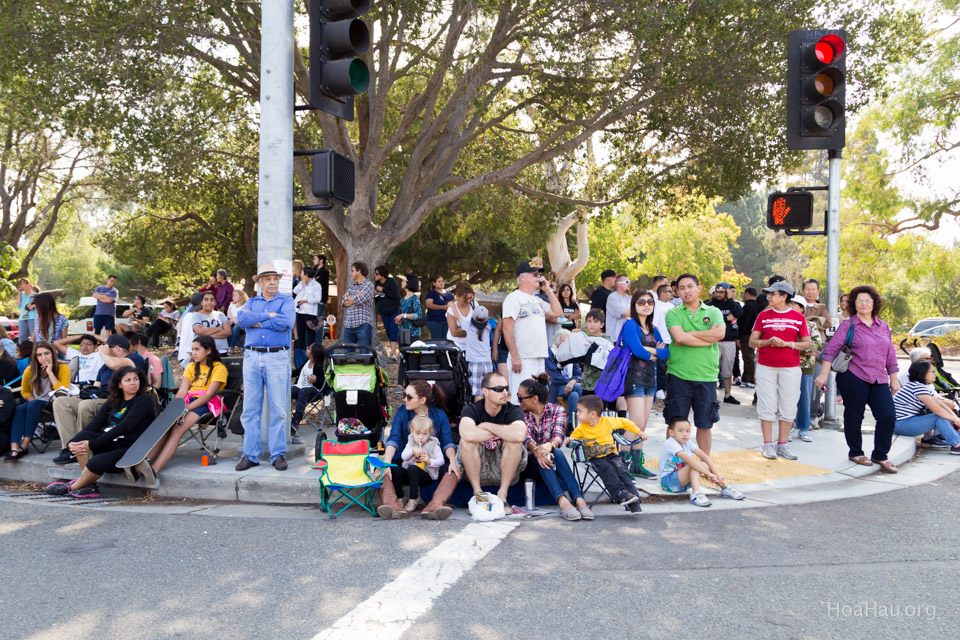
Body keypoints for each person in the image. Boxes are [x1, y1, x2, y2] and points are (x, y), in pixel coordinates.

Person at [815, 285, 900, 473]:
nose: (863, 304)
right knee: (855, 415)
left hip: (879, 378)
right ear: (854, 304)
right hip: (854, 377)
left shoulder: (883, 326)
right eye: (859, 300)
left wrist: (894, 378)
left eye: (867, 300)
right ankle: (856, 451)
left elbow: (890, 354)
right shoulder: (849, 325)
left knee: (887, 416)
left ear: (874, 303)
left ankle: (880, 454)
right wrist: (824, 374)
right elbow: (831, 350)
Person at [44, 367, 154, 497]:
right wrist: (71, 443)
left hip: (129, 448)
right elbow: (93, 426)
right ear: (119, 384)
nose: (133, 383)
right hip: (111, 443)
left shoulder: (143, 400)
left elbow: (124, 427)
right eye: (128, 380)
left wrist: (93, 444)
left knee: (96, 462)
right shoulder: (113, 401)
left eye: (135, 379)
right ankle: (89, 486)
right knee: (81, 439)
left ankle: (71, 487)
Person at [236, 263, 296, 471]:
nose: (272, 282)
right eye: (268, 279)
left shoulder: (287, 301)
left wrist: (258, 321)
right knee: (250, 409)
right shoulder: (251, 301)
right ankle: (250, 455)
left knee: (278, 408)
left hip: (277, 356)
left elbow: (286, 322)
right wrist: (268, 316)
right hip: (252, 356)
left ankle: (277, 454)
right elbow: (241, 319)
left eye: (275, 278)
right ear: (260, 282)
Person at [379, 380, 459, 520]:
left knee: (453, 470)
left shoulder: (439, 415)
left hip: (431, 467)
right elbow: (394, 438)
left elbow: (447, 443)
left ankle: (435, 506)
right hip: (407, 463)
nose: (405, 399)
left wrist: (452, 461)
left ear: (422, 400)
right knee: (380, 468)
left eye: (409, 397)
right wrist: (386, 461)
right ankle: (392, 505)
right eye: (404, 395)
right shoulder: (402, 412)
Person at [748, 282, 811, 460]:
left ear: (784, 296)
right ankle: (767, 444)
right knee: (766, 404)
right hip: (766, 365)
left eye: (773, 294)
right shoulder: (763, 315)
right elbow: (753, 341)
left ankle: (783, 445)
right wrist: (769, 342)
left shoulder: (798, 318)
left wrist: (787, 344)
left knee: (789, 405)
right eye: (768, 293)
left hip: (790, 367)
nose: (769, 296)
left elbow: (807, 343)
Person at [664, 273, 725, 456]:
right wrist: (708, 337)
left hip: (706, 376)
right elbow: (679, 337)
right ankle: (672, 464)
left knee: (704, 424)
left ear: (699, 288)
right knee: (675, 425)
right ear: (677, 292)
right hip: (678, 375)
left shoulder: (713, 312)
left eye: (690, 286)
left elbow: (720, 334)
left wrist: (688, 336)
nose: (686, 291)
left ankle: (704, 464)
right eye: (681, 288)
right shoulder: (673, 313)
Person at [518, 374, 593, 521]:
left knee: (556, 451)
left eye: (521, 397)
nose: (518, 400)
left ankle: (577, 500)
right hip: (528, 462)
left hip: (550, 458)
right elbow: (525, 438)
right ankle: (564, 501)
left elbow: (558, 437)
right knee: (546, 454)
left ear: (534, 399)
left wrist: (549, 446)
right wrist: (538, 450)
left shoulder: (557, 410)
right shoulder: (519, 413)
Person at [150, 336, 227, 474]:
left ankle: (155, 469)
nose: (193, 353)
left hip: (206, 403)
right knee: (165, 426)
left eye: (197, 349)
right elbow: (182, 390)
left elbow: (209, 395)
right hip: (187, 402)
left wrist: (186, 409)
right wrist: (178, 407)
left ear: (208, 350)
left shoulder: (219, 368)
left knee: (177, 430)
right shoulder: (191, 366)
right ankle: (146, 461)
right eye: (192, 349)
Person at [457, 372, 527, 507]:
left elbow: (519, 435)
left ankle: (503, 495)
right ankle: (478, 493)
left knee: (514, 442)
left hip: (505, 471)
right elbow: (468, 434)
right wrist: (504, 432)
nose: (505, 392)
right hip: (479, 470)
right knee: (466, 442)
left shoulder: (513, 410)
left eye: (506, 388)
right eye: (499, 389)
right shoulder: (471, 410)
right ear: (485, 391)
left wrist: (487, 426)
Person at [565, 395, 645, 512]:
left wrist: (639, 432)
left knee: (622, 470)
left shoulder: (608, 422)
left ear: (592, 414)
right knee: (608, 469)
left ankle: (634, 500)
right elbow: (572, 439)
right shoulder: (581, 428)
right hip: (595, 458)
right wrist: (570, 440)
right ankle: (621, 494)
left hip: (612, 454)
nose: (577, 414)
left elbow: (625, 423)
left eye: (580, 411)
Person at [620, 289, 669, 478]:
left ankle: (636, 465)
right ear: (634, 305)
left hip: (650, 380)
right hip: (634, 379)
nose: (646, 305)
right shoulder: (630, 324)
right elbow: (637, 351)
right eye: (641, 302)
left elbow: (666, 353)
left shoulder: (654, 328)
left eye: (650, 302)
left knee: (643, 425)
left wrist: (649, 351)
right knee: (635, 423)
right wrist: (652, 351)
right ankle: (621, 464)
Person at [501, 259, 563, 403]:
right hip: (523, 358)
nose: (539, 277)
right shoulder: (513, 297)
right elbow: (506, 327)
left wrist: (548, 290)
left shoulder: (537, 299)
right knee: (521, 400)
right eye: (535, 274)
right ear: (522, 277)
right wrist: (515, 356)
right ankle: (519, 426)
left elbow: (558, 312)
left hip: (539, 357)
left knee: (537, 400)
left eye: (539, 274)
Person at [4, 340, 70, 461]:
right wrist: (32, 403)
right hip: (35, 405)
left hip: (55, 404)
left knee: (33, 404)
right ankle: (14, 446)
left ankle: (25, 443)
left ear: (53, 354)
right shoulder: (30, 370)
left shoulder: (63, 368)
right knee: (20, 408)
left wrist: (50, 373)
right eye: (39, 355)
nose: (43, 357)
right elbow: (25, 392)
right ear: (35, 357)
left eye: (46, 353)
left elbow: (63, 393)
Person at [659, 417, 745, 507]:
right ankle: (696, 494)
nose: (685, 434)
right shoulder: (671, 443)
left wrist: (717, 473)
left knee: (703, 464)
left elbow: (704, 457)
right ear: (671, 432)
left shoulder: (687, 442)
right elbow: (689, 460)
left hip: (683, 482)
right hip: (668, 482)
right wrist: (708, 474)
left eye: (688, 431)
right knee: (694, 464)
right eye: (680, 431)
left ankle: (724, 487)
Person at [893, 361, 960, 455]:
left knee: (944, 415)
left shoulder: (923, 387)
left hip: (903, 423)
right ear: (922, 373)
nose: (935, 374)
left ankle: (957, 440)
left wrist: (955, 418)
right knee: (938, 416)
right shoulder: (918, 387)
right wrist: (954, 419)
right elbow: (936, 409)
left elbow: (941, 404)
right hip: (900, 424)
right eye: (932, 371)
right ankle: (957, 446)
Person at [788, 295, 823, 444]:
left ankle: (803, 428)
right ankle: (788, 427)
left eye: (794, 305)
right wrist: (802, 347)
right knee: (787, 398)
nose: (791, 307)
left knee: (805, 398)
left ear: (802, 308)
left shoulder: (811, 325)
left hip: (806, 367)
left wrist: (792, 346)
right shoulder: (785, 323)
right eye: (789, 304)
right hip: (787, 365)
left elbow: (816, 345)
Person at [398, 415, 446, 512]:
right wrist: (412, 451)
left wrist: (429, 461)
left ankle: (413, 498)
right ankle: (399, 497)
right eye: (418, 433)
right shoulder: (411, 441)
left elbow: (441, 461)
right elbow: (403, 457)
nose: (421, 437)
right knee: (395, 470)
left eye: (424, 434)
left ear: (429, 433)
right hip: (411, 474)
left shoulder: (433, 444)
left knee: (413, 468)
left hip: (425, 474)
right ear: (412, 432)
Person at [802, 278, 832, 425]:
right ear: (803, 291)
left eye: (814, 289)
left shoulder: (822, 307)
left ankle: (813, 415)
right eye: (808, 289)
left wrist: (808, 319)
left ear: (818, 291)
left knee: (816, 383)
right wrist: (816, 321)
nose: (811, 292)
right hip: (799, 350)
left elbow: (827, 323)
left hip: (817, 351)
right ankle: (797, 416)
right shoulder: (798, 305)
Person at [707, 282, 742, 405]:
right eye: (716, 292)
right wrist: (726, 318)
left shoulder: (733, 304)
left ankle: (727, 395)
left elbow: (738, 314)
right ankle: (711, 396)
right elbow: (708, 321)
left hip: (729, 341)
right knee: (711, 370)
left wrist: (730, 299)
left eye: (722, 292)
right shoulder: (709, 305)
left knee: (727, 371)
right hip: (713, 342)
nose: (718, 294)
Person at [178, 291, 231, 367]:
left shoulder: (221, 315)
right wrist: (218, 329)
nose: (209, 302)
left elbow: (228, 332)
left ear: (215, 302)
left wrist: (207, 336)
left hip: (221, 351)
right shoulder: (196, 316)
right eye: (206, 300)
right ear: (201, 302)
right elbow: (199, 330)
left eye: (212, 300)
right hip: (203, 352)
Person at [544, 329, 581, 431]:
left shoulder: (572, 353)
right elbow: (553, 375)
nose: (567, 344)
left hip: (568, 386)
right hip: (554, 386)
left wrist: (572, 382)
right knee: (580, 388)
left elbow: (577, 373)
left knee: (574, 395)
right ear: (557, 342)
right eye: (564, 341)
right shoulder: (549, 353)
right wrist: (570, 382)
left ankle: (572, 426)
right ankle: (587, 422)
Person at [290, 342, 327, 438]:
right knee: (287, 391)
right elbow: (297, 371)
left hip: (314, 391)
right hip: (298, 387)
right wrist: (285, 374)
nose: (306, 348)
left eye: (309, 348)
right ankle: (281, 420)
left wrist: (317, 379)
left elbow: (328, 381)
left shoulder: (321, 365)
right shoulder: (307, 361)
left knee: (304, 391)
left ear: (313, 353)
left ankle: (295, 422)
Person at [341, 261, 376, 347]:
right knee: (347, 355)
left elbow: (360, 299)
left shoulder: (369, 285)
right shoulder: (352, 286)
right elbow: (343, 301)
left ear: (359, 271)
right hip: (349, 325)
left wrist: (352, 298)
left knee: (364, 354)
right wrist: (354, 297)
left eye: (352, 271)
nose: (350, 273)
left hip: (363, 324)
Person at [580, 309, 613, 397]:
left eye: (596, 322)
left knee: (600, 406)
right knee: (586, 406)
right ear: (585, 323)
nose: (592, 324)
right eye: (589, 321)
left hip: (603, 380)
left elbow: (610, 358)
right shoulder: (584, 338)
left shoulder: (606, 340)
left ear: (602, 324)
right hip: (587, 381)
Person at [294, 266, 323, 365]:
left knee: (310, 334)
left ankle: (311, 355)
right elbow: (295, 291)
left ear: (307, 274)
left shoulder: (316, 285)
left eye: (302, 273)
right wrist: (302, 283)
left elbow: (317, 299)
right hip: (300, 311)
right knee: (300, 332)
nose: (300, 274)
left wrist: (305, 301)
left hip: (310, 312)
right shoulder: (302, 284)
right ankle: (301, 356)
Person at [465, 306, 493, 401]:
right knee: (488, 390)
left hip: (475, 362)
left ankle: (478, 413)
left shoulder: (468, 326)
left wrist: (452, 306)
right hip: (487, 362)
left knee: (478, 391)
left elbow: (458, 317)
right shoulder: (488, 327)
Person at [652, 278, 674, 399]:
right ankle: (660, 389)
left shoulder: (672, 306)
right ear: (663, 293)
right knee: (661, 367)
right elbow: (654, 325)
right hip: (662, 341)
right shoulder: (656, 306)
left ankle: (669, 388)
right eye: (670, 291)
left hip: (673, 340)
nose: (672, 293)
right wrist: (657, 340)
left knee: (671, 366)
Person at [374, 265, 402, 359]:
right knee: (388, 331)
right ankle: (392, 349)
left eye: (377, 273)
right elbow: (378, 298)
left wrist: (383, 289)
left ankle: (393, 352)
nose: (375, 275)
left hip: (394, 310)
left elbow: (395, 295)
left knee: (394, 330)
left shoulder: (391, 281)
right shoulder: (376, 283)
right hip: (384, 311)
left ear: (382, 274)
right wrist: (375, 295)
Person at [738, 287, 759, 389]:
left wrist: (739, 335)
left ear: (747, 293)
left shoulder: (748, 306)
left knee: (748, 357)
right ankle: (746, 378)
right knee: (747, 357)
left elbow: (744, 322)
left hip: (747, 335)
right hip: (754, 334)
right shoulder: (757, 305)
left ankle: (751, 379)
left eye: (744, 294)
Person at [445, 280, 475, 352]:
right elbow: (454, 332)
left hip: (472, 347)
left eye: (470, 298)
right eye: (465, 299)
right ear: (458, 297)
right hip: (455, 347)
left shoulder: (475, 306)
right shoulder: (451, 309)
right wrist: (471, 329)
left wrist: (461, 328)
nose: (468, 301)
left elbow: (480, 329)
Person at [395, 273, 424, 343]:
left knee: (413, 353)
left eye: (403, 280)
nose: (401, 282)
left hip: (413, 334)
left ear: (409, 283)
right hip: (402, 333)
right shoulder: (402, 300)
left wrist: (403, 315)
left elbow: (418, 315)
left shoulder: (415, 299)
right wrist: (398, 320)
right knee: (403, 353)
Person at [424, 275, 454, 341]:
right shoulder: (431, 293)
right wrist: (442, 307)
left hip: (447, 320)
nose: (441, 283)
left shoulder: (448, 293)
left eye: (442, 281)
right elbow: (429, 305)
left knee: (446, 341)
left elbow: (453, 304)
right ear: (434, 283)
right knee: (436, 341)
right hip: (435, 320)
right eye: (439, 281)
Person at [604, 274, 632, 339]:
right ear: (619, 284)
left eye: (630, 282)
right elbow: (625, 313)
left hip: (626, 338)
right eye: (627, 282)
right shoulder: (612, 297)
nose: (629, 284)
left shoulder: (630, 298)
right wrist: (633, 311)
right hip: (614, 339)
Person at [16, 278, 37, 344]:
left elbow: (40, 304)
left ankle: (35, 352)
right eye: (20, 285)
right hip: (22, 318)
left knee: (34, 336)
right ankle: (22, 353)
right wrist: (19, 293)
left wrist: (33, 306)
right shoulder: (22, 294)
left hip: (32, 317)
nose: (21, 287)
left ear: (28, 284)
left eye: (22, 284)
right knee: (22, 337)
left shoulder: (34, 292)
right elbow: (18, 305)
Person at [313, 254, 330, 318]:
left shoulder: (325, 271)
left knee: (318, 319)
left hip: (321, 299)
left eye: (315, 259)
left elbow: (319, 283)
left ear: (321, 261)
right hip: (312, 299)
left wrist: (314, 280)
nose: (313, 261)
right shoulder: (313, 270)